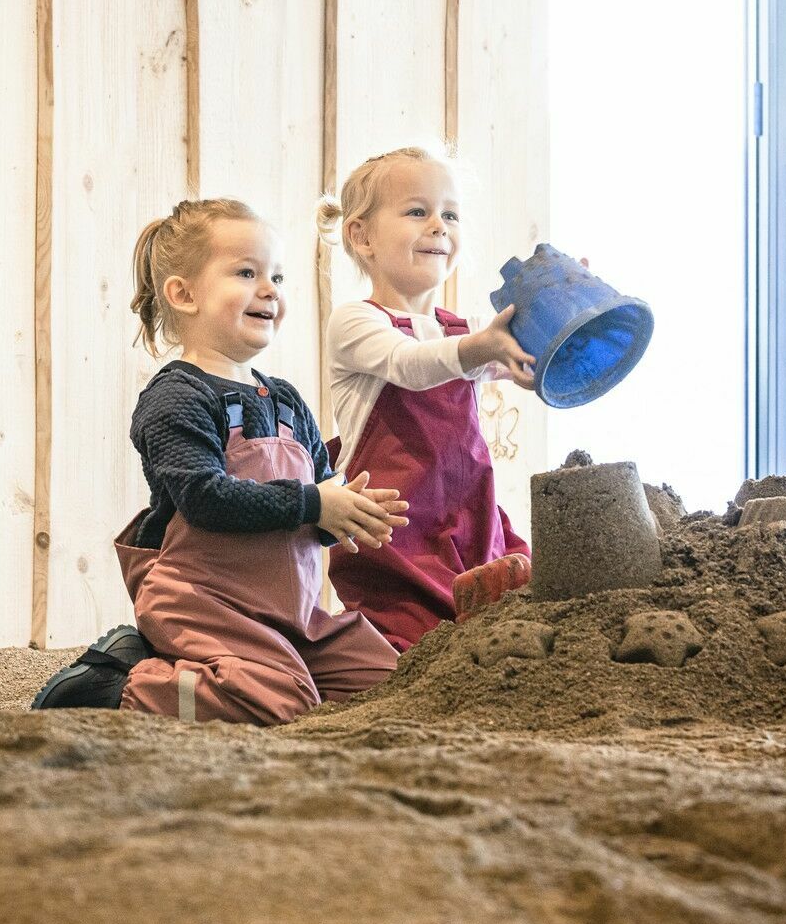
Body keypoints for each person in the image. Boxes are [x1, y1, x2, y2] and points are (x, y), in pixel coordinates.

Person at [32, 198, 404, 723]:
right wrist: (313, 504)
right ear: (183, 294)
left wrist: (345, 513)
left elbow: (313, 508)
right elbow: (206, 500)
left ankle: (256, 666)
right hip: (205, 600)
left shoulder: (287, 401)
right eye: (246, 272)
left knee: (389, 683)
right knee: (281, 702)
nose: (270, 289)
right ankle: (120, 683)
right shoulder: (176, 397)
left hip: (289, 610)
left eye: (276, 275)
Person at [317, 147, 535, 651]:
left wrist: (559, 311)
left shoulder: (465, 331)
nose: (439, 225)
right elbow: (410, 366)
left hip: (469, 521)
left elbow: (532, 361)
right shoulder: (356, 322)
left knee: (507, 628)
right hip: (395, 534)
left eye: (450, 214)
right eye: (418, 211)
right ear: (361, 235)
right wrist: (483, 347)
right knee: (410, 646)